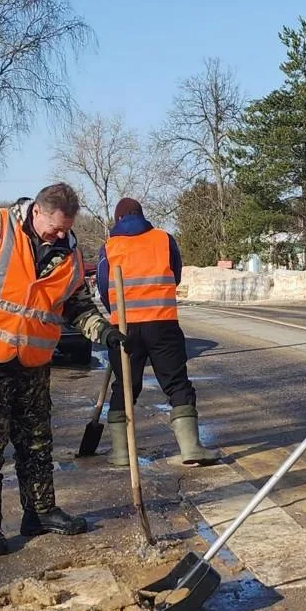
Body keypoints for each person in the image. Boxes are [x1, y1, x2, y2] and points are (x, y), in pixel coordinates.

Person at [0, 183, 130, 556]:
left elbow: (77, 307)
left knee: (37, 443)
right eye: (55, 227)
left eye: (66, 229)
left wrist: (104, 332)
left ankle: (40, 512)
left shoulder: (69, 252)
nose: (60, 235)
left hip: (33, 362)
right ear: (37, 211)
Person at [96, 197, 221, 467]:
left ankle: (120, 452)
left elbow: (103, 287)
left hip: (124, 329)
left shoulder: (109, 247)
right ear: (141, 214)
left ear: (117, 220)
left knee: (125, 387)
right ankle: (190, 448)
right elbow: (175, 276)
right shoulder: (164, 239)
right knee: (176, 382)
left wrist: (117, 311)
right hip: (162, 323)